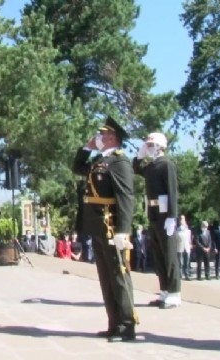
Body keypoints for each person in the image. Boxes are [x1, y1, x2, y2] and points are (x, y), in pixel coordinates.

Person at [72, 116, 137, 342]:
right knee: (106, 277)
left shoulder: (120, 162)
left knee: (119, 276)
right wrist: (86, 148)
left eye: (102, 135)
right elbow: (77, 167)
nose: (98, 137)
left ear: (112, 137)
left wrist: (123, 230)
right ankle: (113, 323)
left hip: (111, 227)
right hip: (98, 227)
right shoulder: (100, 160)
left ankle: (127, 325)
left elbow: (126, 196)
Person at [133, 132, 181, 309]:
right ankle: (165, 291)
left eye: (151, 145)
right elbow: (136, 169)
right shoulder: (152, 166)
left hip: (164, 212)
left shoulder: (166, 164)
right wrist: (139, 155)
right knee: (159, 255)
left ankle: (175, 293)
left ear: (160, 146)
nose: (149, 148)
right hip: (153, 212)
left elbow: (172, 192)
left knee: (169, 255)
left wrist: (172, 216)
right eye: (148, 145)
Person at [176, 215, 192, 281]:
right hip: (180, 248)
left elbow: (189, 239)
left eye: (183, 219)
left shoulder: (188, 230)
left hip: (187, 247)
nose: (182, 220)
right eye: (181, 219)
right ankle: (180, 275)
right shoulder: (177, 230)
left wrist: (190, 245)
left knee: (187, 262)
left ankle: (186, 275)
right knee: (180, 262)